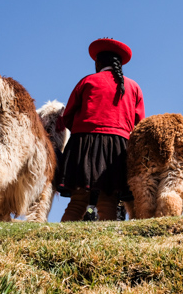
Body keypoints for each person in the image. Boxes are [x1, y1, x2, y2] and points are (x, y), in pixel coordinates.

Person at [58, 38, 145, 221]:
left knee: (78, 200)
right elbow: (139, 124)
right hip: (118, 147)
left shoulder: (88, 81)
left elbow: (67, 116)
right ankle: (110, 241)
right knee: (109, 199)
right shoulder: (134, 87)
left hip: (84, 144)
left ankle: (60, 241)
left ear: (98, 63)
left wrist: (83, 130)